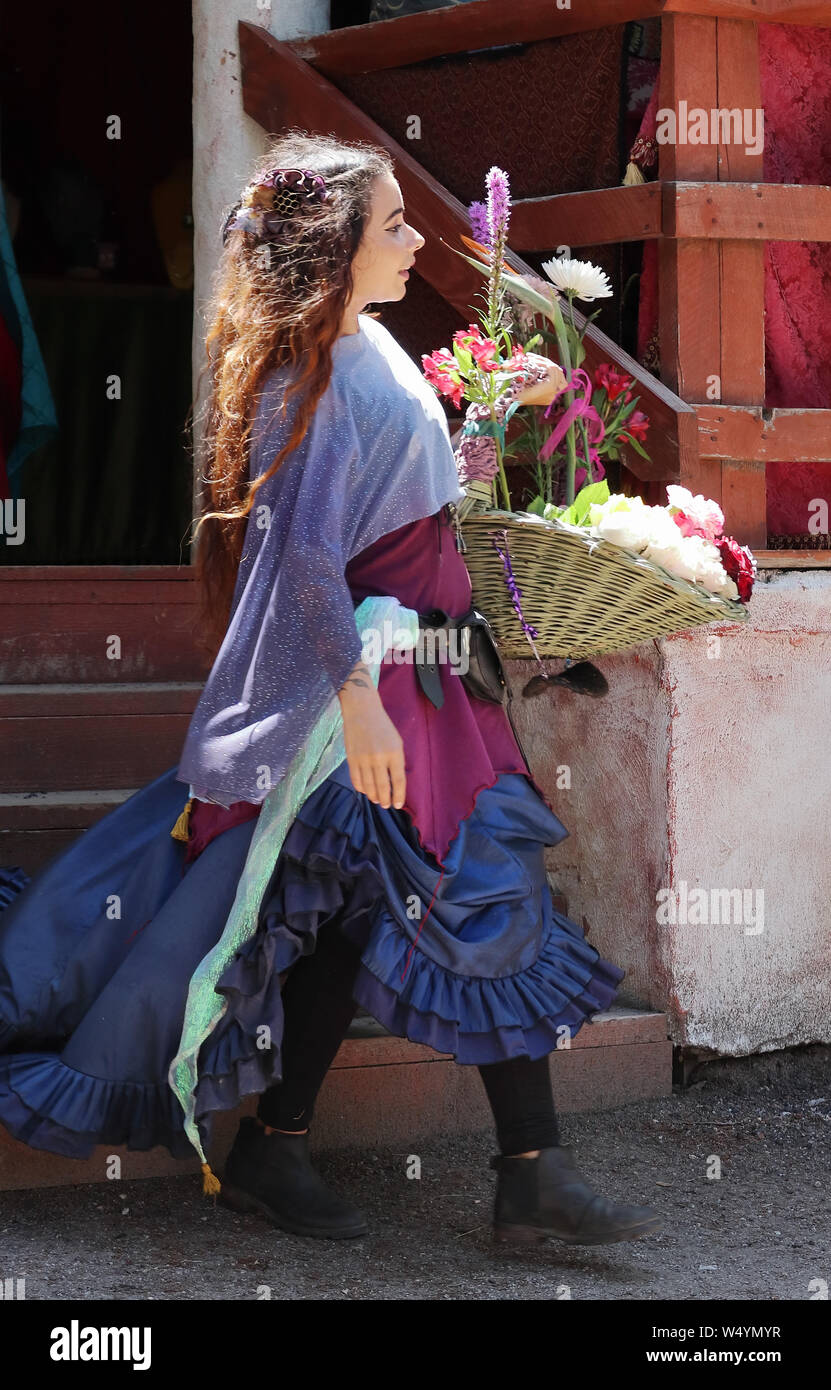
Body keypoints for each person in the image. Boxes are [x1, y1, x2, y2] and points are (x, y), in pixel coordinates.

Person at [0, 131, 662, 1249]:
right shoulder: (309, 380)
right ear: (335, 249)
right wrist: (355, 701)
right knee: (440, 885)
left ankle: (422, 1159)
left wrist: (500, 414)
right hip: (372, 683)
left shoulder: (374, 349)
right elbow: (306, 558)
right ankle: (474, 1165)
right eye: (394, 224)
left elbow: (420, 504)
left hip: (428, 669)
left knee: (405, 894)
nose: (415, 240)